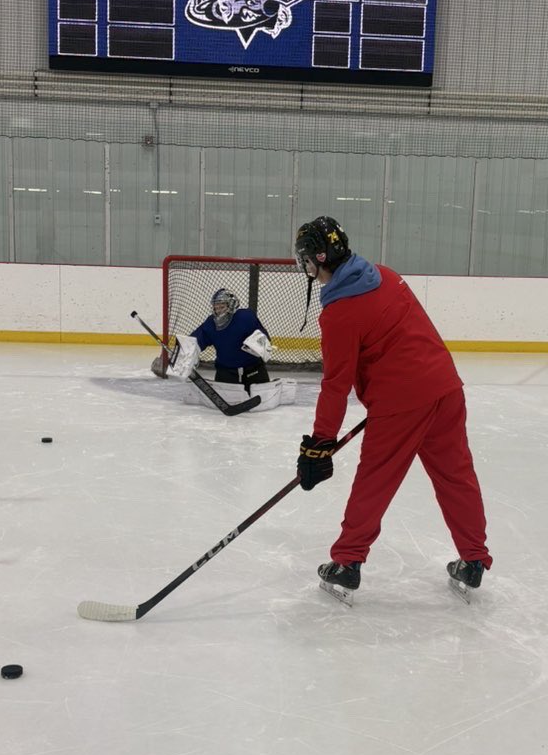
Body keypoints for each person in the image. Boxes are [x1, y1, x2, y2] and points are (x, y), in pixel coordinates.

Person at [292, 216, 492, 602]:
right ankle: (473, 561)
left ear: (319, 258)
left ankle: (347, 563)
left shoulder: (338, 314)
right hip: (446, 388)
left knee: (375, 480)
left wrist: (320, 441)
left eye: (306, 259)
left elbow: (336, 385)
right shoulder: (385, 274)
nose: (306, 268)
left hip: (401, 405)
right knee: (456, 476)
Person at [175, 288, 272, 390]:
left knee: (263, 398)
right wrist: (181, 354)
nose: (219, 311)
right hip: (226, 372)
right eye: (216, 307)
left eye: (222, 307)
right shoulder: (211, 323)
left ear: (232, 305)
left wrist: (260, 344)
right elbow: (195, 341)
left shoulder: (245, 317)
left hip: (253, 371)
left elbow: (263, 335)